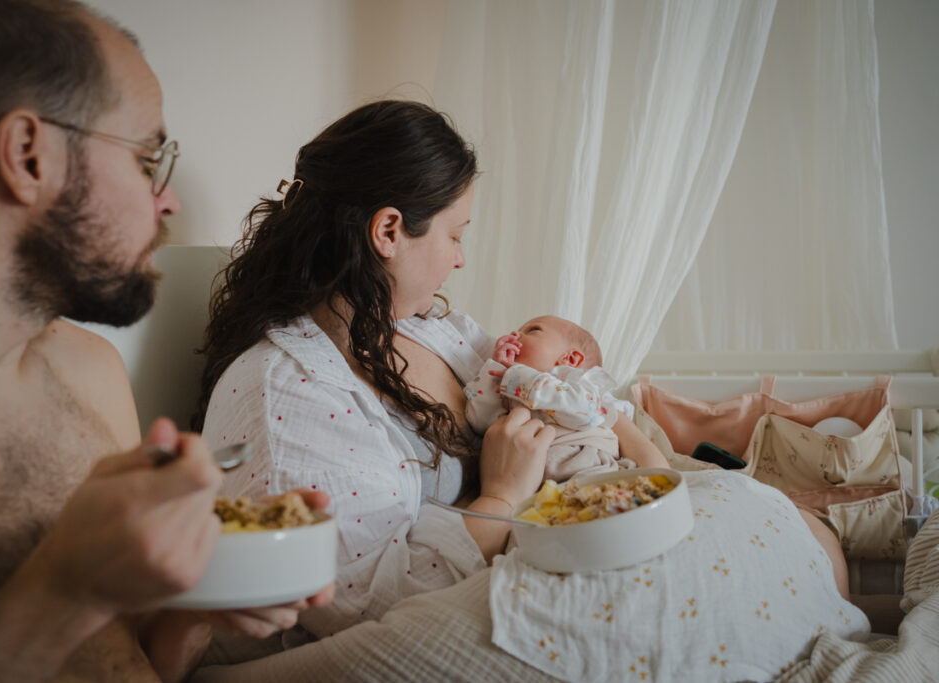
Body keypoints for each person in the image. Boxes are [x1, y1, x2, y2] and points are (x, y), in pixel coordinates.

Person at [0, 1, 330, 681]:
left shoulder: (92, 371)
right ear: (27, 155)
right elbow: (71, 602)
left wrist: (200, 601)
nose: (165, 201)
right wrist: (64, 587)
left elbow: (129, 663)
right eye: (146, 157)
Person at [194, 99, 673, 638]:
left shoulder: (432, 328)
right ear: (389, 231)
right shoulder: (288, 395)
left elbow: (568, 391)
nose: (460, 259)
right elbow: (375, 608)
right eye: (456, 235)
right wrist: (501, 495)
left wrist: (648, 457)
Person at [464, 315, 669, 482]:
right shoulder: (512, 386)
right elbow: (479, 419)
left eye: (533, 330)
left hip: (591, 468)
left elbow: (585, 413)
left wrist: (521, 378)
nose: (515, 334)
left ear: (570, 359)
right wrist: (495, 370)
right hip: (531, 481)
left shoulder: (579, 384)